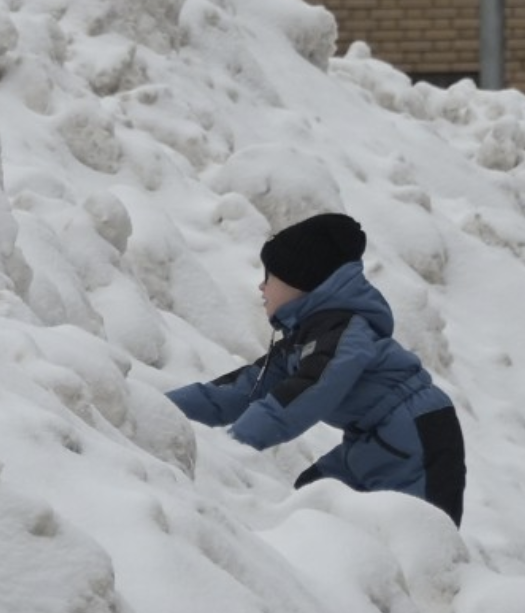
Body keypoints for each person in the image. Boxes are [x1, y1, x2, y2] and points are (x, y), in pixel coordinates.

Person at [165, 211, 466, 525]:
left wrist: (235, 444)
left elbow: (312, 389)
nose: (261, 286)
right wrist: (161, 408)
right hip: (370, 438)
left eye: (269, 277)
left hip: (417, 433)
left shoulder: (345, 331)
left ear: (299, 280)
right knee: (311, 500)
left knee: (417, 535)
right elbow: (242, 390)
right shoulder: (303, 339)